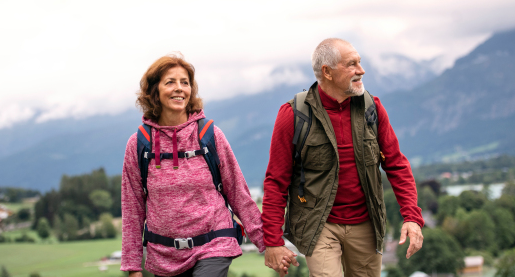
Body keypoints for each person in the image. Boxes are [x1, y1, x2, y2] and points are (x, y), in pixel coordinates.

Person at [262, 38, 424, 276]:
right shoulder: (293, 114)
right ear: (327, 72)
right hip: (319, 225)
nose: (361, 70)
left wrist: (412, 216)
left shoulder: (373, 108)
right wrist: (273, 241)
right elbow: (276, 181)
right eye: (352, 64)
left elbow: (397, 165)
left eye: (359, 62)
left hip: (366, 224)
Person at [120, 53, 265, 277]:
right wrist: (132, 267)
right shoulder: (139, 144)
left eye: (185, 83)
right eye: (170, 82)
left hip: (214, 244)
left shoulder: (209, 135)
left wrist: (268, 243)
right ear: (154, 91)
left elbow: (237, 192)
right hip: (164, 256)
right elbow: (132, 209)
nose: (179, 88)